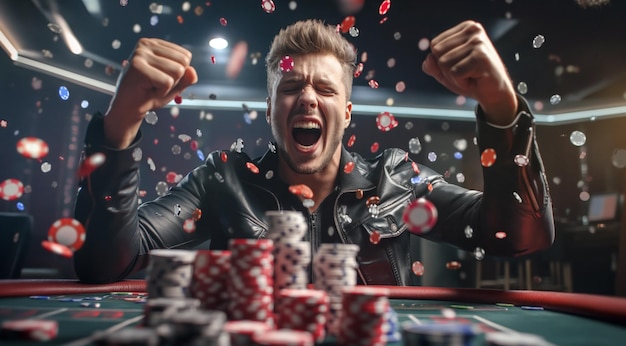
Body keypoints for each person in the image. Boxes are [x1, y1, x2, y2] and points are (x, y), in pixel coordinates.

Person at [74, 19, 554, 285]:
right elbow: (104, 262)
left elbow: (520, 237)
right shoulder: (224, 179)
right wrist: (121, 124)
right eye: (290, 87)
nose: (307, 97)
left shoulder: (397, 180)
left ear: (346, 113)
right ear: (269, 110)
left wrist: (502, 110)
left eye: (324, 88)